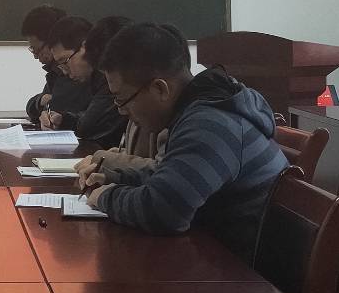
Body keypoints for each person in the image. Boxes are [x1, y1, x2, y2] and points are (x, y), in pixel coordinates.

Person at [85, 22, 288, 264]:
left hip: (242, 276)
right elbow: (173, 177)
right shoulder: (199, 111)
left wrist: (106, 197)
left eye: (122, 99)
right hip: (216, 260)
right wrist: (117, 178)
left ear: (160, 89)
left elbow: (164, 212)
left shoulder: (210, 123)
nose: (121, 111)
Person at [44, 16, 132, 149]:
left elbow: (88, 127)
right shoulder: (89, 77)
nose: (65, 72)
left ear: (85, 47)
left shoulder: (109, 78)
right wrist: (62, 119)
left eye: (65, 61)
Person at [21, 5, 92, 126]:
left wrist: (46, 107)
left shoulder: (79, 72)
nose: (36, 57)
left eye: (37, 50)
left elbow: (57, 106)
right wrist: (40, 101)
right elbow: (35, 106)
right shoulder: (56, 71)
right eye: (32, 50)